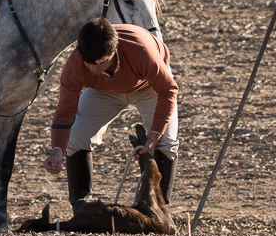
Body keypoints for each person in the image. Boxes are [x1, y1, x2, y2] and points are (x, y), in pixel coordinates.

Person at [43, 17, 179, 205]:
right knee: (77, 136)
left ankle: (159, 211)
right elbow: (65, 112)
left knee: (165, 140)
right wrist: (57, 150)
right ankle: (82, 209)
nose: (91, 68)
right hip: (103, 90)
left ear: (114, 51)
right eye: (87, 62)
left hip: (148, 86)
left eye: (98, 63)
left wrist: (154, 137)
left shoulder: (141, 51)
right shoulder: (76, 65)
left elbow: (168, 90)